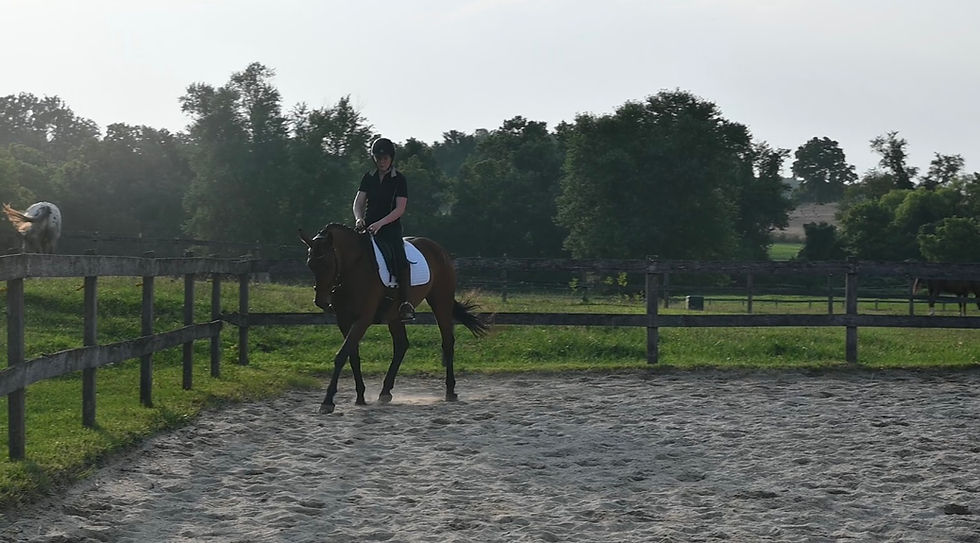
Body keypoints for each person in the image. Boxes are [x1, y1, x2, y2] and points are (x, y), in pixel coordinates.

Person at [352, 137, 415, 321]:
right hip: (368, 226)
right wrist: (358, 218)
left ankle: (406, 303)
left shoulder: (399, 180)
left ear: (391, 158)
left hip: (390, 228)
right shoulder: (368, 177)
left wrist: (381, 223)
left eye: (385, 158)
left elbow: (400, 209)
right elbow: (358, 202)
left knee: (400, 259)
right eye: (378, 158)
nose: (381, 161)